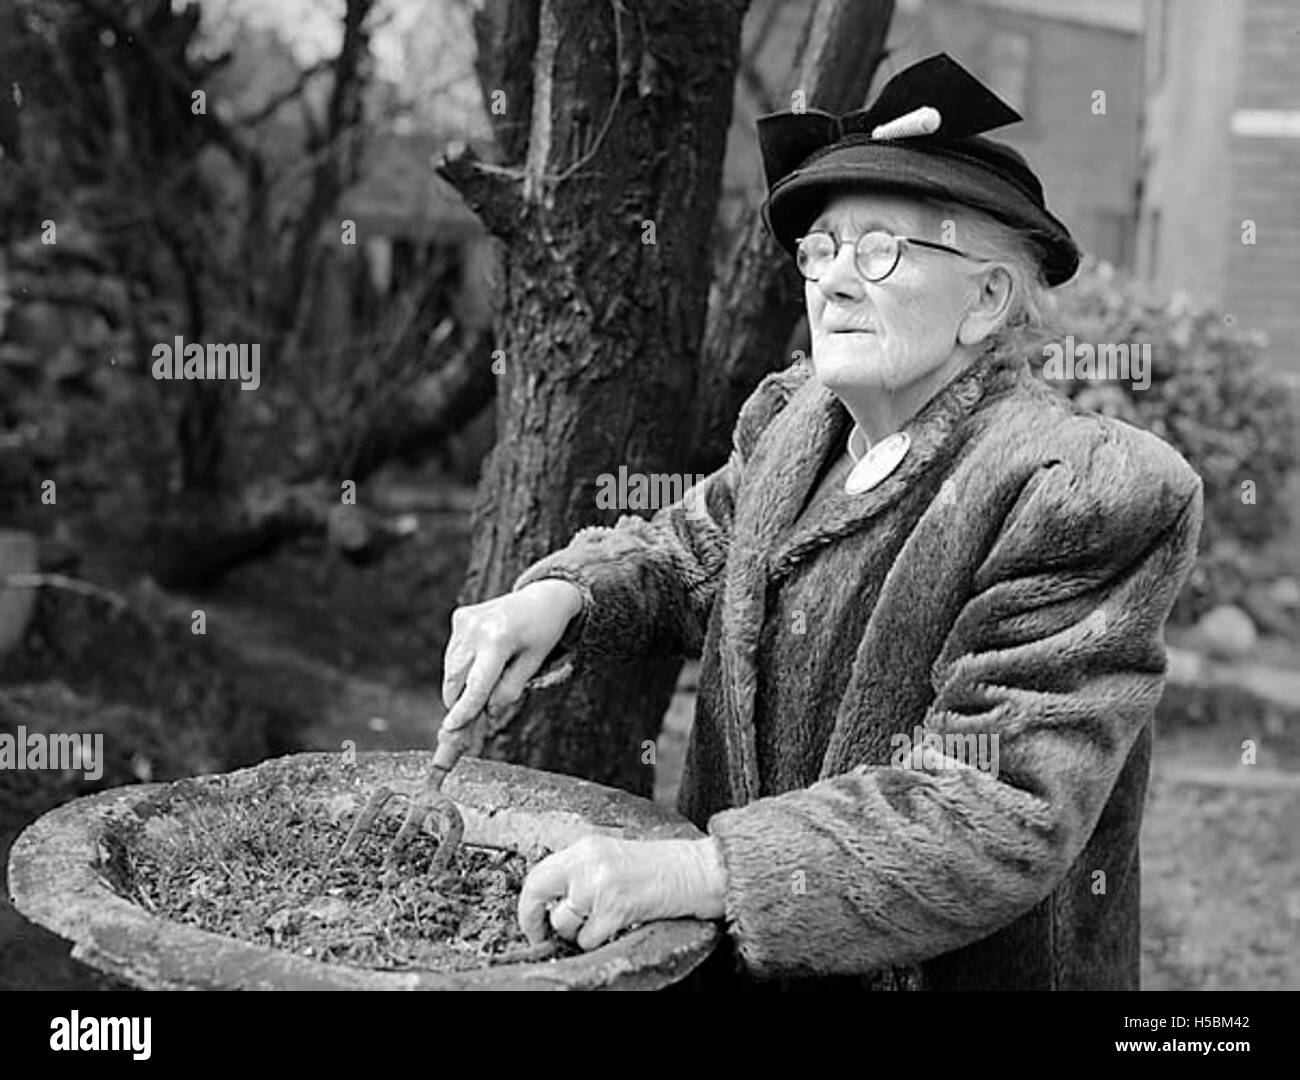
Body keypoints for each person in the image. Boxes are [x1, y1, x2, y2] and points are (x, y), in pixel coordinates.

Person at [437, 53, 1203, 990]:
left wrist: (704, 871)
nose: (834, 282)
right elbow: (693, 549)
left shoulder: (1079, 489)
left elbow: (998, 801)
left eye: (880, 250)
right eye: (820, 250)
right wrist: (562, 598)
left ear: (988, 300)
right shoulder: (797, 425)